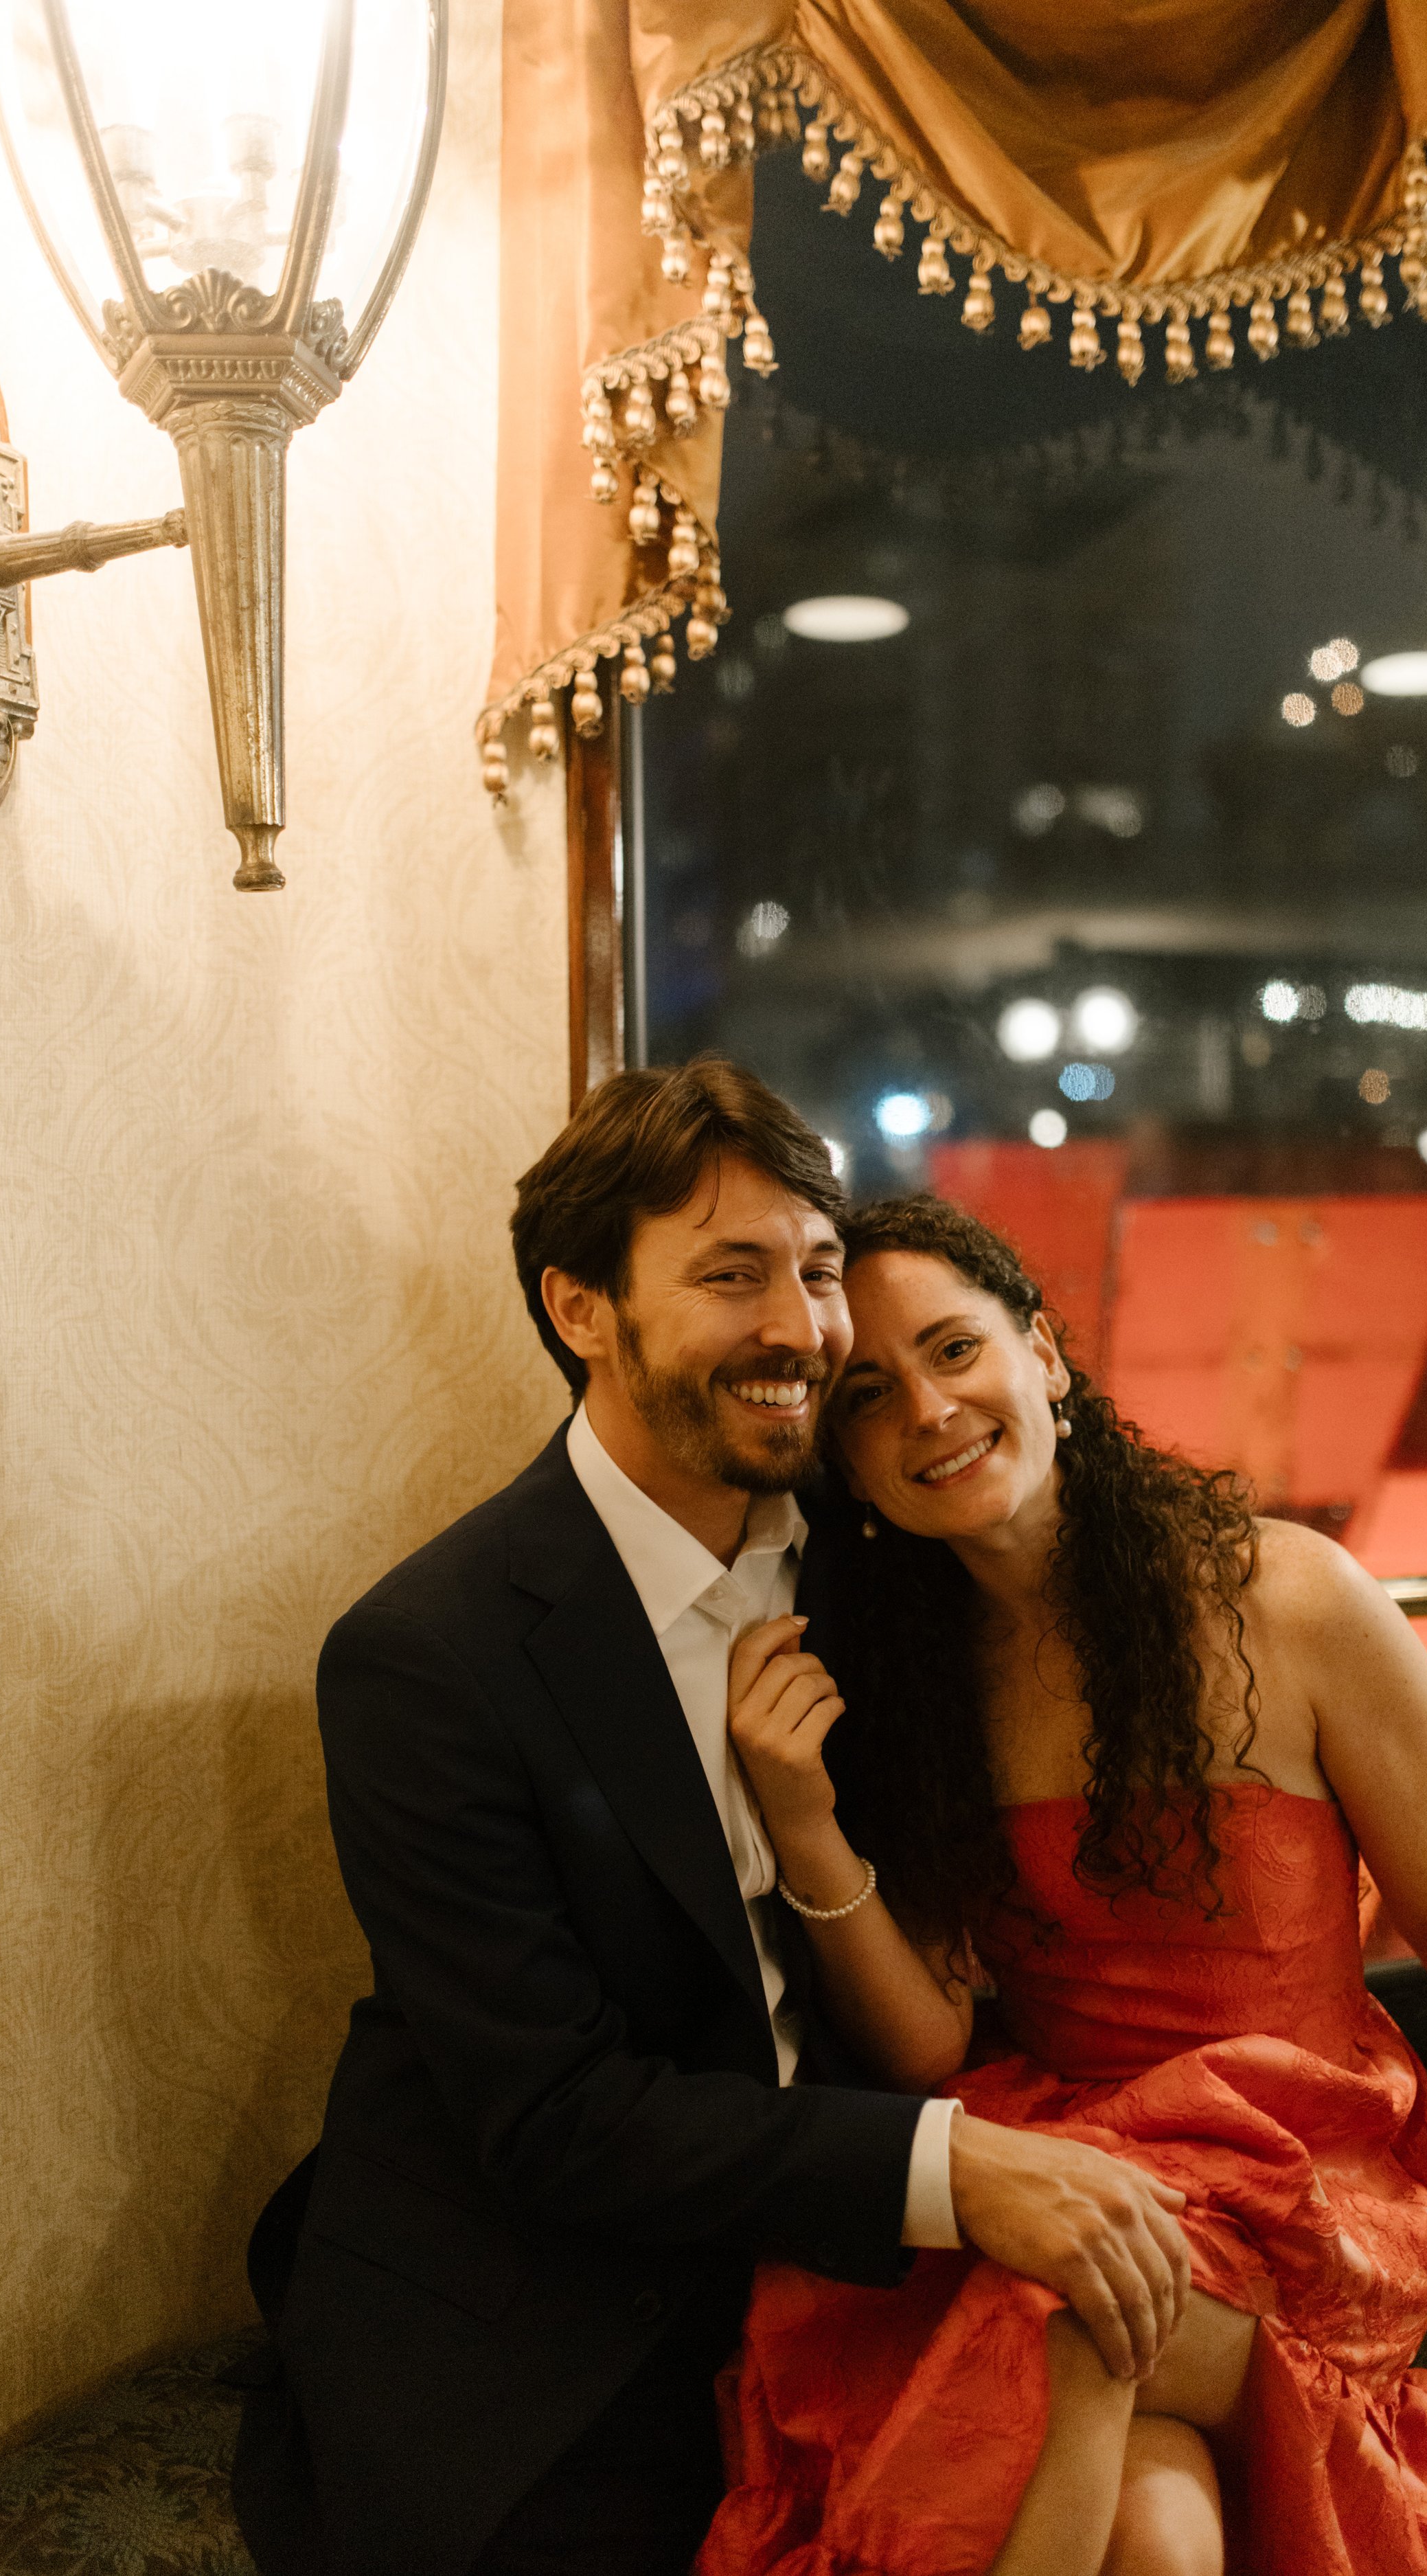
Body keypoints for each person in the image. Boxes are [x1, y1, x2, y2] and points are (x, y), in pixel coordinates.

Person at [231, 1064, 1191, 2576]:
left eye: (815, 1273)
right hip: (551, 2300)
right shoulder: (432, 1655)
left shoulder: (874, 1566)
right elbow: (550, 2119)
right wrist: (953, 2175)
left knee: (1152, 2500)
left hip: (831, 2243)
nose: (799, 1330)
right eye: (729, 1275)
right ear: (581, 1310)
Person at [698, 1192, 1427, 2576]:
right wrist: (802, 1825)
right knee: (1154, 2525)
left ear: (1044, 1354)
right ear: (843, 1456)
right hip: (1070, 2138)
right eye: (868, 1393)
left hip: (1312, 2161)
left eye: (956, 1351)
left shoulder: (1297, 1602)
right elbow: (926, 2045)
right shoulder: (907, 1686)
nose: (924, 1408)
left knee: (1082, 2304)